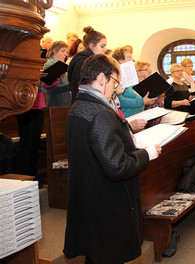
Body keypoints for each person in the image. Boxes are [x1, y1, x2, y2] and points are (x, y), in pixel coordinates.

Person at [63, 54, 162, 264]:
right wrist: (147, 154)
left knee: (96, 255)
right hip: (107, 202)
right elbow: (117, 166)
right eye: (115, 82)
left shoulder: (78, 107)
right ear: (101, 78)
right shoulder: (100, 113)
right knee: (108, 256)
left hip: (90, 196)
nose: (117, 88)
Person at [112, 46, 156, 118]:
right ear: (121, 61)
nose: (133, 59)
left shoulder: (131, 77)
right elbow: (120, 101)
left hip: (140, 116)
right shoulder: (117, 77)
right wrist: (142, 101)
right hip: (127, 117)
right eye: (129, 57)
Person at [68, 26, 107, 103]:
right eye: (102, 46)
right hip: (83, 104)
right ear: (92, 46)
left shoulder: (90, 61)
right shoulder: (82, 62)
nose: (105, 50)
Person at [135, 60, 164, 127]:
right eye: (146, 69)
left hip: (159, 115)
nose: (150, 71)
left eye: (150, 69)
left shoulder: (151, 83)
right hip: (147, 118)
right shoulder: (135, 87)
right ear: (138, 73)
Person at [43, 41, 71, 106]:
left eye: (66, 52)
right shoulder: (49, 66)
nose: (65, 54)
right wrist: (71, 85)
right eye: (63, 51)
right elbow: (52, 90)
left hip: (64, 103)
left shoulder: (61, 66)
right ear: (54, 51)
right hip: (55, 104)